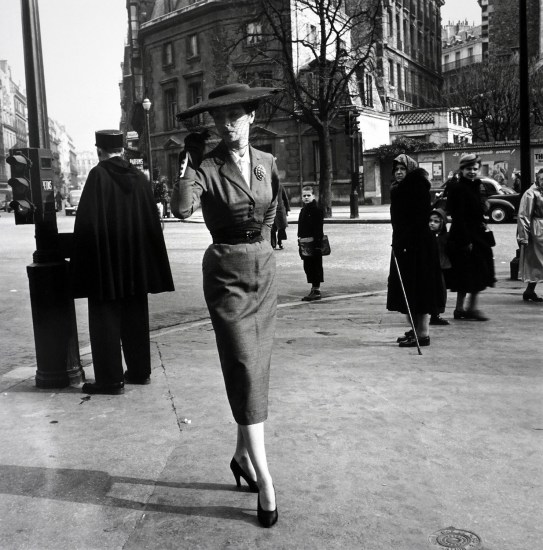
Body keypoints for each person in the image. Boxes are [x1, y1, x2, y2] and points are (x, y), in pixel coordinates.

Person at [171, 83, 282, 528]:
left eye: (235, 115)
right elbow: (181, 209)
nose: (227, 125)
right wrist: (187, 163)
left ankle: (241, 455)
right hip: (226, 274)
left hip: (263, 272)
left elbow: (272, 205)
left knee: (256, 368)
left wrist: (264, 241)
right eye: (220, 118)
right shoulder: (205, 165)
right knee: (243, 366)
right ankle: (267, 481)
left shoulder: (267, 161)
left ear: (251, 116)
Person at [70, 130, 174, 395]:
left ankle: (110, 380)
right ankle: (140, 372)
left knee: (105, 318)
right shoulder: (140, 178)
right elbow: (152, 222)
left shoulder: (98, 176)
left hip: (107, 262)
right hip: (135, 262)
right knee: (136, 317)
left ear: (99, 150)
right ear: (123, 150)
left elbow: (87, 224)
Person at [387, 154, 444, 348]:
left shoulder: (416, 187)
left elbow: (417, 220)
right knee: (409, 291)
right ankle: (416, 330)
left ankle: (423, 334)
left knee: (420, 290)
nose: (399, 172)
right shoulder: (399, 188)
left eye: (403, 169)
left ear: (410, 170)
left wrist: (404, 242)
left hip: (417, 247)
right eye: (396, 170)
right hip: (404, 245)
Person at [446, 153, 495, 321]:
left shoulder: (477, 185)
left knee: (475, 272)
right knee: (466, 273)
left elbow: (478, 208)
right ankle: (463, 308)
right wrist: (465, 241)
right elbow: (458, 216)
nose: (472, 172)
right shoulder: (457, 188)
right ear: (461, 169)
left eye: (475, 169)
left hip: (477, 233)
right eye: (469, 169)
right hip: (464, 235)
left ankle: (466, 308)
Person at [516, 168, 543, 302]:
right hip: (537, 231)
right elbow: (523, 215)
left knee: (538, 263)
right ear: (537, 180)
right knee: (537, 262)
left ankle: (529, 291)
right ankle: (529, 290)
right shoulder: (530, 193)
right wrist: (524, 236)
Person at [298, 185, 325, 301]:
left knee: (315, 266)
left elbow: (319, 229)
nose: (306, 197)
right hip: (305, 242)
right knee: (308, 266)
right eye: (304, 196)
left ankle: (316, 289)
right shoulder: (303, 210)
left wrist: (318, 245)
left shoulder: (317, 210)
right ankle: (313, 287)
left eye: (308, 195)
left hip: (314, 243)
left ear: (313, 196)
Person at [428, 208, 451, 325]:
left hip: (440, 268)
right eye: (430, 220)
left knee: (440, 292)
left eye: (436, 221)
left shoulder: (445, 237)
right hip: (429, 269)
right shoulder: (427, 237)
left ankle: (435, 315)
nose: (432, 223)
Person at [271, 183, 290, 249]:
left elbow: (285, 198)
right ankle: (273, 244)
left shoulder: (280, 186)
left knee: (281, 228)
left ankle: (280, 242)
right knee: (272, 228)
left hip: (280, 210)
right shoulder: (267, 185)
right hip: (271, 210)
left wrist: (287, 210)